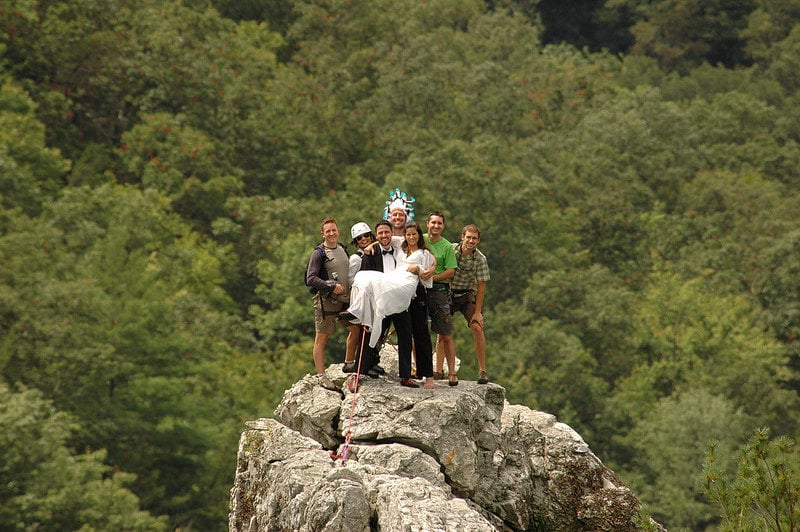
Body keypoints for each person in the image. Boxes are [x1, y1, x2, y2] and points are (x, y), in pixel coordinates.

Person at [342, 222, 436, 388]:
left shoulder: (399, 245)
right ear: (376, 236)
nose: (384, 236)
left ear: (392, 233)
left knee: (406, 336)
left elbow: (428, 261)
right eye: (380, 233)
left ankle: (405, 376)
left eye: (387, 232)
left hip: (400, 298)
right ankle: (357, 374)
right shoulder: (370, 253)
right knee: (369, 333)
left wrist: (431, 268)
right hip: (379, 300)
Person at [440, 224, 491, 384]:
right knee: (443, 330)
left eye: (474, 238)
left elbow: (481, 286)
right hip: (448, 291)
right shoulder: (451, 250)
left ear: (478, 240)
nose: (471, 241)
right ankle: (439, 369)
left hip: (466, 294)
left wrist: (477, 312)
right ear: (462, 237)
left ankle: (482, 370)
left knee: (477, 327)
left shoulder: (480, 259)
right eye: (468, 237)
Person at [305, 217, 350, 375]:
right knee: (321, 338)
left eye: (334, 230)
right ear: (322, 234)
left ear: (338, 231)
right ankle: (321, 375)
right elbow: (310, 278)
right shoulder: (319, 253)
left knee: (356, 329)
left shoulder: (343, 248)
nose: (331, 233)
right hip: (326, 301)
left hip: (346, 301)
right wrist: (330, 286)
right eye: (328, 231)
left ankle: (350, 364)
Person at [424, 211, 459, 386]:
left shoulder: (446, 247)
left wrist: (431, 278)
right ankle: (419, 368)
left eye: (439, 223)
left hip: (439, 291)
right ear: (427, 224)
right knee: (418, 332)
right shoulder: (420, 239)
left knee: (445, 334)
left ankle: (452, 372)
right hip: (419, 290)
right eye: (433, 223)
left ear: (443, 226)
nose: (436, 226)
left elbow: (451, 271)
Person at [343, 221, 376, 374]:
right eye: (359, 238)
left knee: (374, 331)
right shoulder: (356, 258)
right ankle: (354, 363)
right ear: (355, 242)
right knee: (360, 332)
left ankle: (372, 361)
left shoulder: (376, 252)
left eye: (366, 236)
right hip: (360, 298)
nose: (364, 239)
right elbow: (350, 280)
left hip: (374, 298)